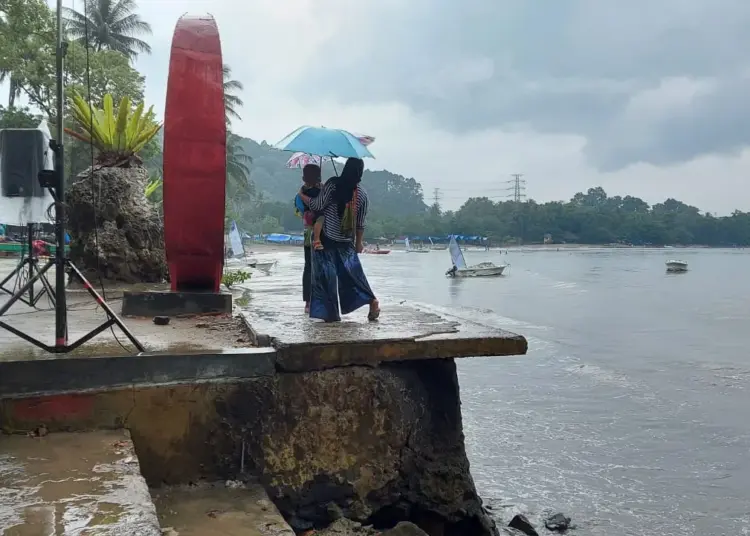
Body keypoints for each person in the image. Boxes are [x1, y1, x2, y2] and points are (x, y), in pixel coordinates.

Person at [298, 157, 380, 322]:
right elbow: (360, 223)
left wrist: (302, 195)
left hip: (325, 240)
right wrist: (359, 243)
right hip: (346, 241)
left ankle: (330, 315)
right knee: (354, 276)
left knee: (325, 277)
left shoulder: (332, 185)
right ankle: (372, 301)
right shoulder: (362, 194)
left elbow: (317, 205)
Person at [295, 164, 322, 313]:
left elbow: (299, 209)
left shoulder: (300, 194)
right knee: (322, 266)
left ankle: (308, 303)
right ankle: (321, 299)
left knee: (308, 266)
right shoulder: (322, 192)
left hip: (307, 232)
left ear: (304, 178)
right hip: (323, 233)